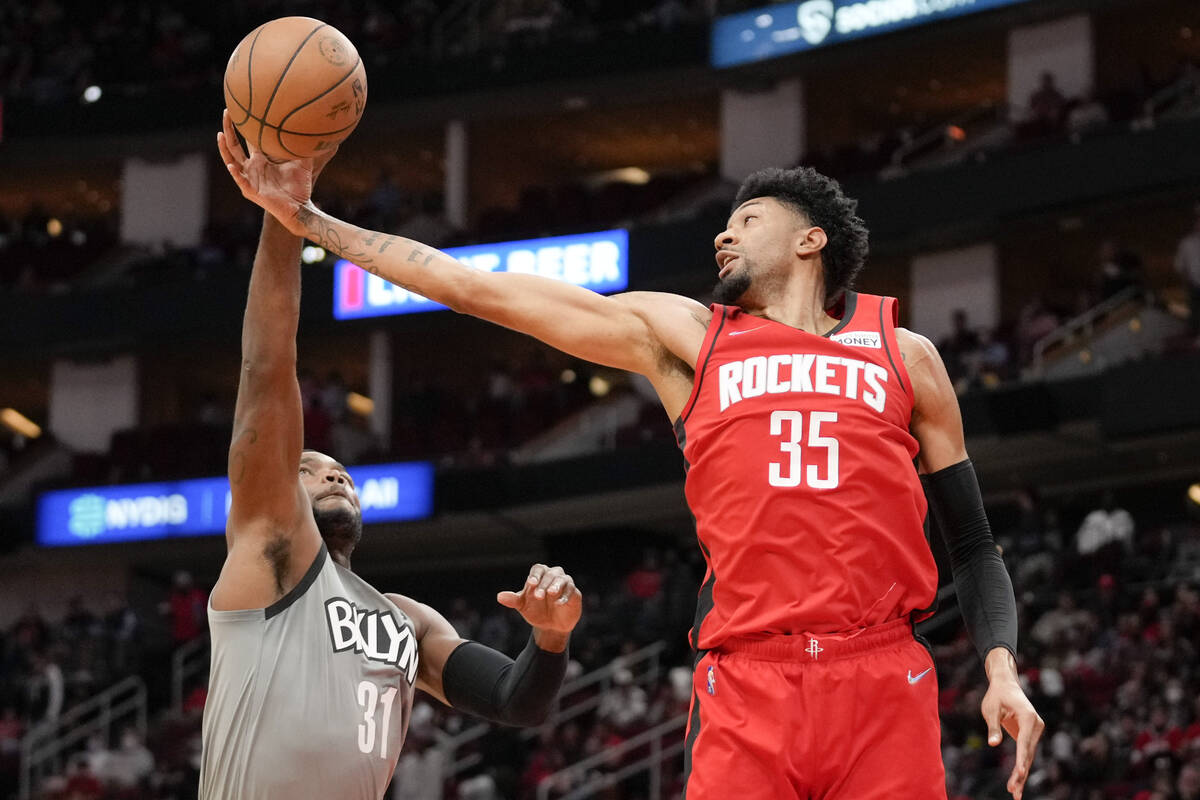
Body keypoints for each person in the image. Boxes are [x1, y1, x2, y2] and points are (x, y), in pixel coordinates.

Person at [220, 118, 1043, 798]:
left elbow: (972, 547)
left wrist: (1001, 669)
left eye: (748, 220)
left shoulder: (907, 356)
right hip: (750, 678)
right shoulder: (687, 338)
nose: (724, 232)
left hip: (880, 674)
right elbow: (486, 291)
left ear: (810, 241)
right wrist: (313, 224)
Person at [204, 111, 582, 800]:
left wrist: (551, 639)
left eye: (338, 466)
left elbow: (515, 700)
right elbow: (266, 369)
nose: (333, 470)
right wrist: (284, 221)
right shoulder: (272, 551)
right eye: (308, 466)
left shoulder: (406, 619)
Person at [1175, 204, 1200, 341]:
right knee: (1196, 312)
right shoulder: (1187, 243)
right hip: (1194, 285)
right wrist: (1187, 284)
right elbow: (1180, 266)